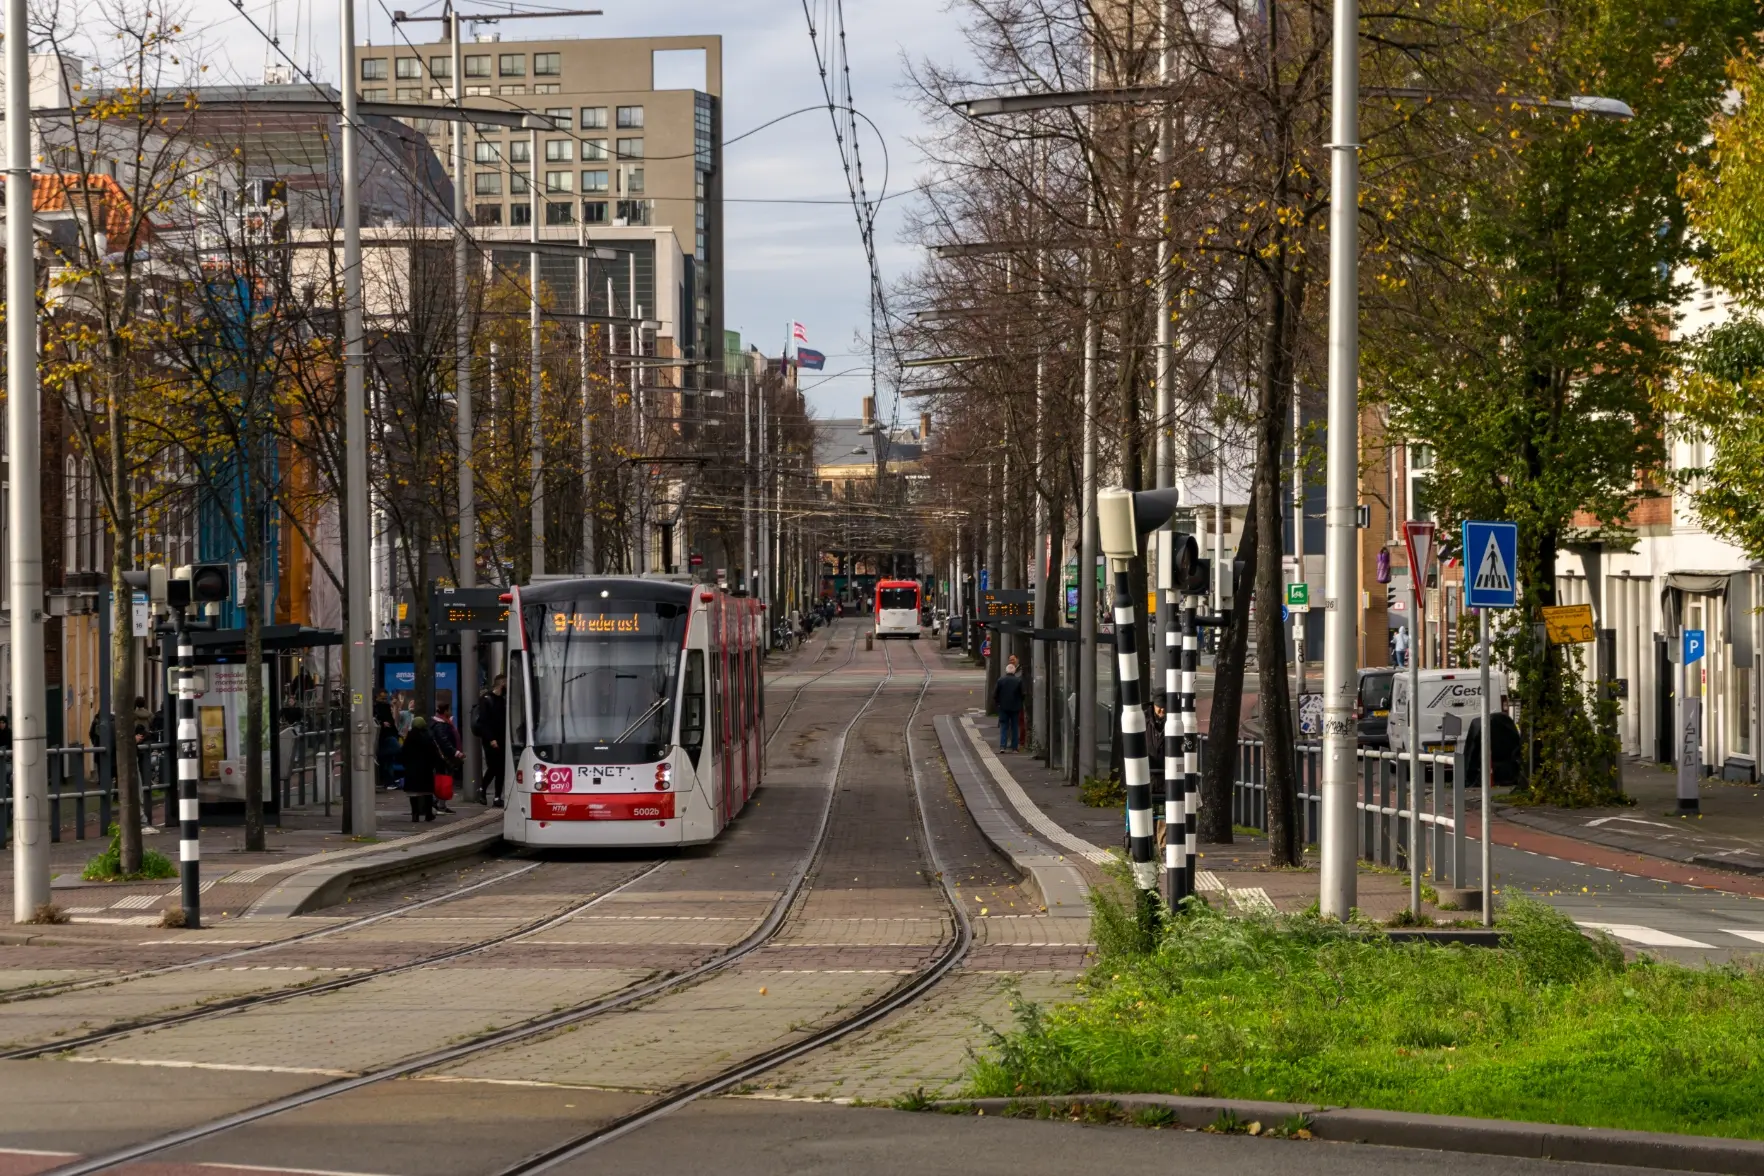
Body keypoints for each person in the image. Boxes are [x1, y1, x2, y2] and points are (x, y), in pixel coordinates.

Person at [399, 716, 446, 822]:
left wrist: (406, 765)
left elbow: (403, 753)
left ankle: (415, 815)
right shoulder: (428, 736)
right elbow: (434, 753)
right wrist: (435, 765)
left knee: (413, 794)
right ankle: (428, 814)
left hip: (412, 770)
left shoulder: (410, 738)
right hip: (426, 770)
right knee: (427, 793)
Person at [473, 674, 508, 807]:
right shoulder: (486, 699)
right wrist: (491, 738)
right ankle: (482, 789)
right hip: (490, 739)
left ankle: (497, 796)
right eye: (506, 683)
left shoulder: (503, 699)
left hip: (502, 738)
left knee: (501, 769)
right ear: (502, 684)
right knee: (493, 767)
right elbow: (484, 722)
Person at [430, 697, 464, 815]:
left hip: (444, 756)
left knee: (443, 780)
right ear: (445, 711)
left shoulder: (444, 723)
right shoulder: (440, 725)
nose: (450, 712)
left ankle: (440, 804)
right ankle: (439, 804)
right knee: (443, 780)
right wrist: (455, 752)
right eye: (449, 710)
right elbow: (444, 741)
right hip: (443, 757)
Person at [994, 657, 1024, 752]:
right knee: (1015, 727)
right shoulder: (1018, 681)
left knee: (1004, 726)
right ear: (1014, 671)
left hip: (1003, 707)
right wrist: (1020, 703)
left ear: (1006, 671)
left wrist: (998, 703)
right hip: (1015, 707)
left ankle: (1002, 746)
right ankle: (1014, 747)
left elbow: (995, 694)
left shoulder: (1000, 680)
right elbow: (1022, 694)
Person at [373, 690, 398, 790]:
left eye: (385, 698)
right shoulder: (383, 707)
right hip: (386, 736)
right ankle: (389, 782)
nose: (384, 700)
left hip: (383, 736)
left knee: (386, 761)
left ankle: (388, 782)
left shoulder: (378, 707)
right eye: (382, 698)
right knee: (388, 761)